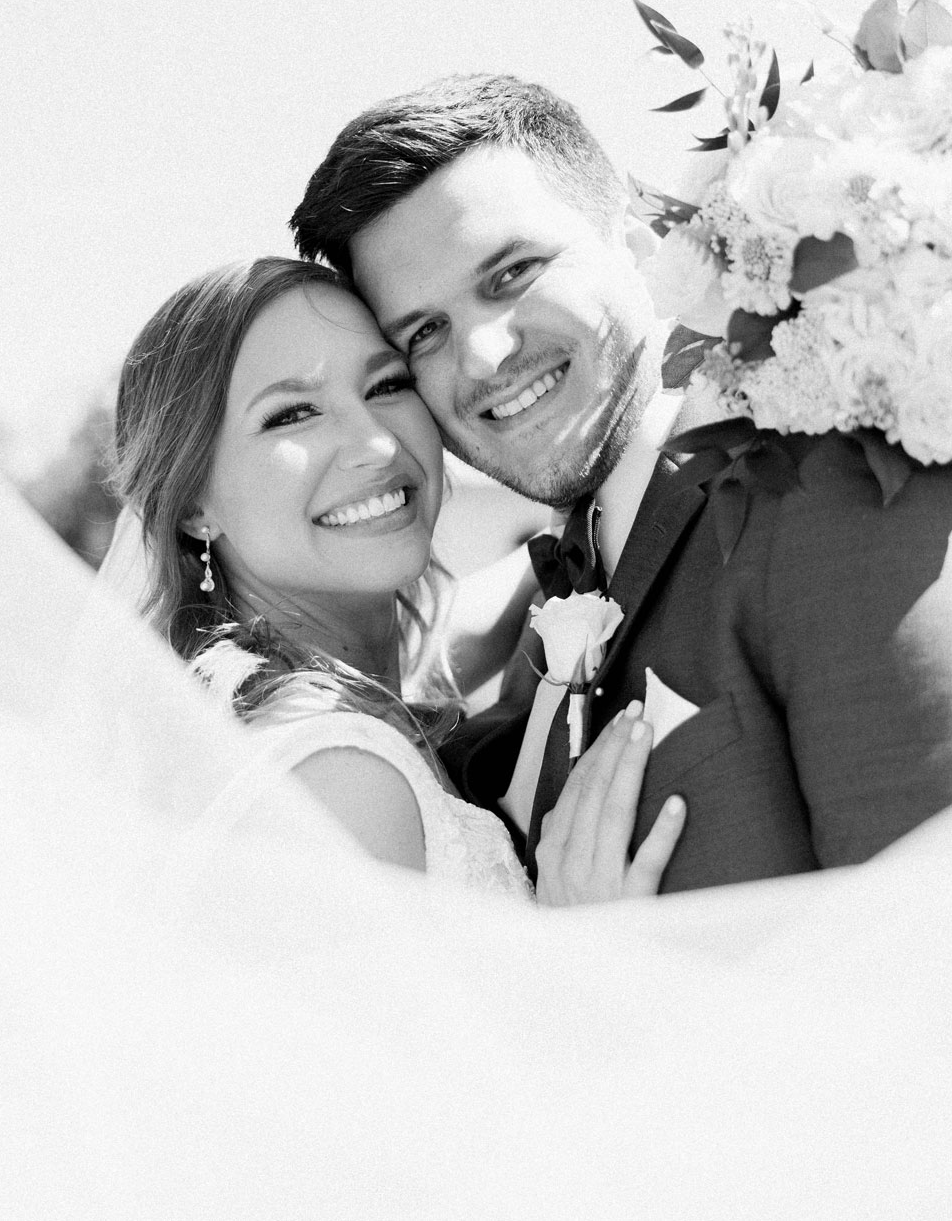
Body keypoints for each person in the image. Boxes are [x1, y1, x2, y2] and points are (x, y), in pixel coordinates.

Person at [288, 74, 952, 892]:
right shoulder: (539, 626)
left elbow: (923, 942)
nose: (484, 358)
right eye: (424, 333)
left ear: (640, 244)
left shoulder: (825, 493)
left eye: (510, 273)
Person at [112, 255, 686, 902]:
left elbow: (492, 607)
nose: (377, 444)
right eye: (292, 413)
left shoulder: (340, 698)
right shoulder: (334, 775)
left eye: (386, 385)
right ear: (191, 504)